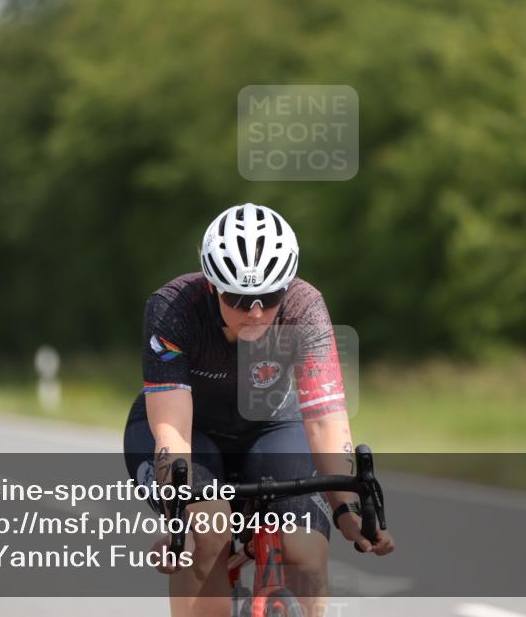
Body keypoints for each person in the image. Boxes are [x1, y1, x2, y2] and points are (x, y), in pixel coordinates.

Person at [123, 203, 394, 617]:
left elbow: (324, 420)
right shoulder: (173, 308)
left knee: (305, 552)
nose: (254, 312)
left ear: (286, 288)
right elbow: (173, 431)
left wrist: (348, 510)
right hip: (189, 432)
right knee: (209, 535)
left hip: (270, 426)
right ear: (212, 286)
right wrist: (180, 520)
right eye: (238, 298)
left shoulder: (304, 308)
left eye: (269, 298)